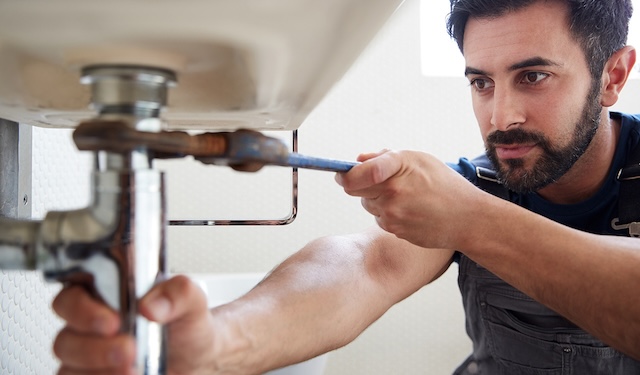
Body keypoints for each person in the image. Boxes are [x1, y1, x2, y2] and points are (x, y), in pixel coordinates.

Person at [52, 0, 640, 374]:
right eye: (481, 82)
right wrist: (218, 340)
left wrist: (472, 220)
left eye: (533, 76)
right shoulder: (481, 183)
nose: (500, 115)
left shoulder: (472, 204)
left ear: (612, 76)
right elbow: (367, 265)